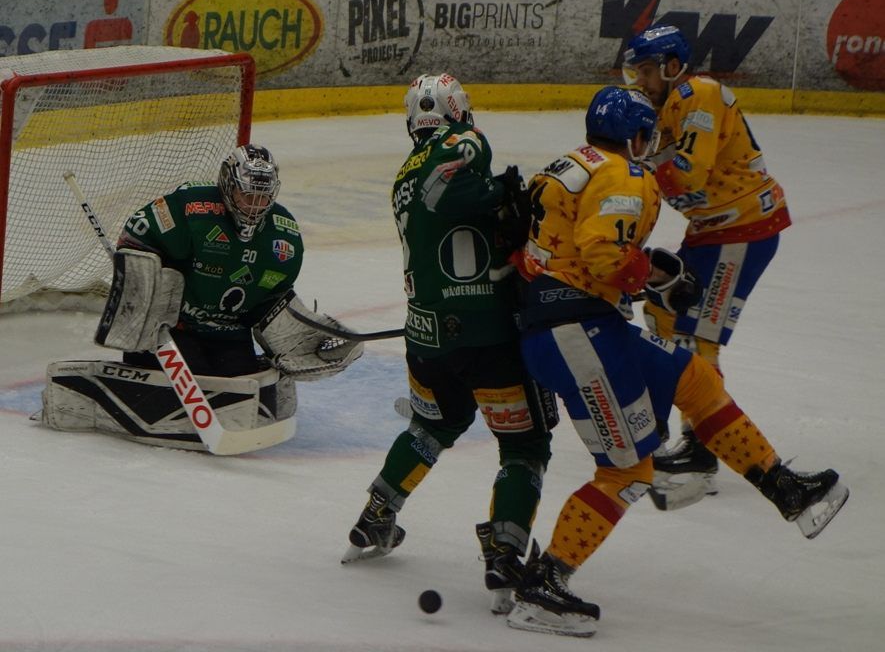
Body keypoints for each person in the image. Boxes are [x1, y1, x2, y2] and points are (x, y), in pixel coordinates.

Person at [504, 86, 848, 637]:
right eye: (649, 136)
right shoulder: (623, 174)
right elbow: (602, 254)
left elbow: (547, 248)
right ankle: (543, 584)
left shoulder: (567, 164)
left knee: (696, 378)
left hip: (581, 326)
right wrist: (654, 277)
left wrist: (655, 274)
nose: (652, 146)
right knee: (627, 471)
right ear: (635, 136)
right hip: (577, 334)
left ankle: (786, 488)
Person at [341, 73, 557, 615]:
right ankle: (505, 553)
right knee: (526, 447)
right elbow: (450, 186)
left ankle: (377, 515)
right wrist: (501, 194)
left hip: (427, 337)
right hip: (486, 335)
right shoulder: (464, 140)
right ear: (457, 110)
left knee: (432, 425)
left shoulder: (401, 177)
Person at [40, 144, 362, 450]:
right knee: (197, 374)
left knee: (241, 382)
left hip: (229, 335)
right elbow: (136, 234)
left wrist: (298, 335)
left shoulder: (284, 235)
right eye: (246, 194)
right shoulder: (191, 209)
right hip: (172, 331)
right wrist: (145, 285)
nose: (253, 205)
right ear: (227, 184)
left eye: (262, 198)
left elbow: (271, 299)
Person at [621, 25, 794, 506]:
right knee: (662, 312)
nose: (642, 82)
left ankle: (701, 445)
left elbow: (688, 174)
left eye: (649, 71)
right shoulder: (662, 108)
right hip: (712, 231)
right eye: (637, 73)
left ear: (674, 66)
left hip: (744, 229)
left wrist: (634, 164)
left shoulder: (700, 94)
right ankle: (663, 421)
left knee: (699, 337)